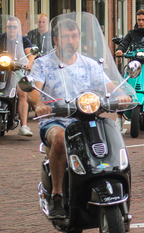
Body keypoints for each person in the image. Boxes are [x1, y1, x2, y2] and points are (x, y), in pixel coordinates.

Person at [29, 18, 131, 219]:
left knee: (108, 131)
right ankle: (57, 196)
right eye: (65, 36)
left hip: (85, 118)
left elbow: (108, 86)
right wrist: (38, 104)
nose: (70, 40)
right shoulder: (43, 64)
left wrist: (122, 94)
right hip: (55, 120)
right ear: (56, 39)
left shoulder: (89, 64)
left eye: (74, 36)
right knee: (59, 139)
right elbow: (33, 91)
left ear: (78, 39)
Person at [0, 16, 34, 137]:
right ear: (6, 27)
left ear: (18, 28)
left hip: (17, 69)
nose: (12, 29)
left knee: (23, 92)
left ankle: (24, 126)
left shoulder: (24, 40)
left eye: (14, 27)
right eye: (10, 27)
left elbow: (30, 54)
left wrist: (29, 63)